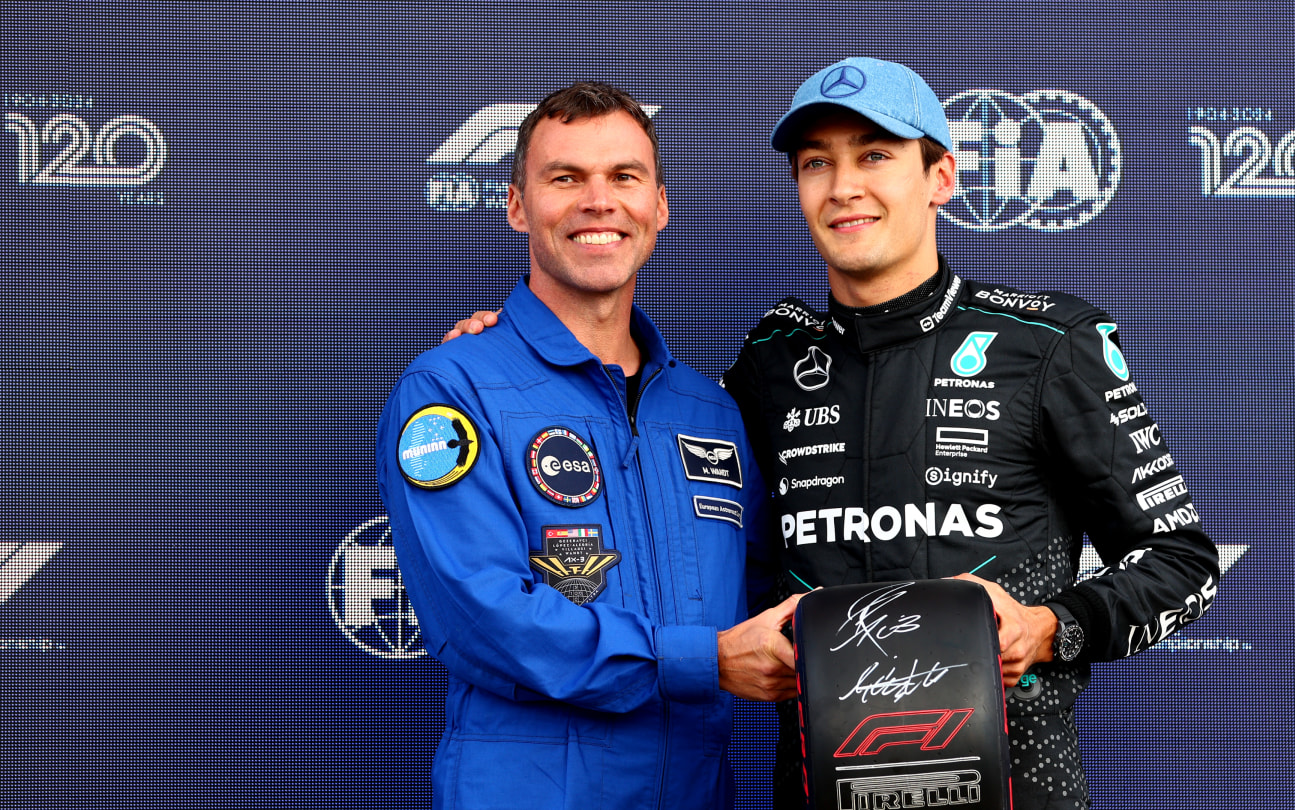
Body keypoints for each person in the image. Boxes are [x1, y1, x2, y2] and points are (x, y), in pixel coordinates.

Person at [445, 61, 1222, 810]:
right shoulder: (768, 364)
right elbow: (667, 499)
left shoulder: (1046, 343)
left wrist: (1049, 627)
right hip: (819, 791)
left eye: (876, 155)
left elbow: (1184, 562)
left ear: (941, 178)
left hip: (1012, 789)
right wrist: (513, 355)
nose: (845, 186)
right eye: (818, 163)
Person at [378, 81, 800, 810]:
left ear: (659, 207)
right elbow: (482, 617)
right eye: (565, 177)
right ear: (516, 206)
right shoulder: (453, 391)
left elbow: (775, 591)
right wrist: (703, 661)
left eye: (624, 177)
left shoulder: (712, 413)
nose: (598, 201)